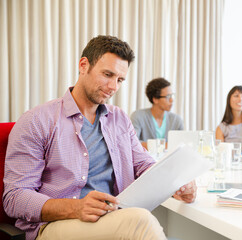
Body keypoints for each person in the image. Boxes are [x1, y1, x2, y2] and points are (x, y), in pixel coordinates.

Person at [3, 35, 196, 240]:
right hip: (55, 225)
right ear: (84, 65)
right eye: (107, 74)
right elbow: (15, 198)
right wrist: (76, 208)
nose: (113, 87)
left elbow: (143, 164)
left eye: (120, 80)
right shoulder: (37, 120)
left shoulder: (119, 119)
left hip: (111, 220)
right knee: (141, 222)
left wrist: (176, 183)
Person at [130, 78, 184, 149]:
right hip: (146, 159)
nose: (171, 100)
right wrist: (164, 146)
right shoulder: (138, 116)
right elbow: (132, 142)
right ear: (155, 99)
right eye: (167, 97)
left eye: (172, 96)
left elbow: (181, 144)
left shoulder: (176, 120)